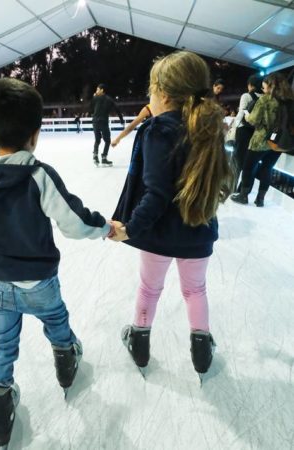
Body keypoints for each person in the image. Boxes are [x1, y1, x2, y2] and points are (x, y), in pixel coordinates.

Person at [0, 78, 114, 448]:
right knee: (56, 320)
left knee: (0, 342)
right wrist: (106, 228)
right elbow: (75, 223)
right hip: (37, 280)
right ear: (36, 134)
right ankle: (65, 356)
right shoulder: (36, 175)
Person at [109, 51, 233, 383]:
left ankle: (139, 341)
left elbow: (156, 194)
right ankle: (202, 351)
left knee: (150, 288)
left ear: (163, 94)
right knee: (195, 290)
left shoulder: (158, 130)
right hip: (198, 229)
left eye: (151, 91)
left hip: (158, 233)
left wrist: (129, 228)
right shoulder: (208, 127)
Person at [231, 72, 294, 207]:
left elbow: (253, 120)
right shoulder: (290, 102)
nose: (263, 90)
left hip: (261, 140)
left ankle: (243, 196)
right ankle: (260, 199)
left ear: (271, 86)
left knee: (248, 167)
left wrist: (247, 114)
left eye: (265, 87)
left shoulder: (265, 100)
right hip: (278, 142)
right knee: (267, 168)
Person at [232, 75, 262, 191]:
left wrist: (234, 127)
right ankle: (242, 189)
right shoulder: (264, 98)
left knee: (237, 160)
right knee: (249, 162)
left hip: (243, 129)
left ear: (250, 84)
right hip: (255, 132)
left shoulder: (246, 95)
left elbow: (241, 112)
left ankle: (232, 186)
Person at [90, 83, 124, 166]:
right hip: (103, 122)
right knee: (107, 141)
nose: (96, 91)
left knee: (97, 140)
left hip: (95, 122)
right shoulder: (109, 99)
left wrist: (94, 99)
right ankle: (104, 158)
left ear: (102, 90)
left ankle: (95, 156)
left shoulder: (95, 98)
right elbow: (117, 109)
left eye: (97, 89)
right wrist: (121, 119)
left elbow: (90, 108)